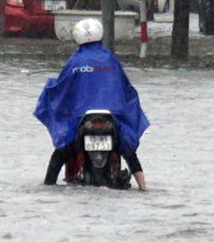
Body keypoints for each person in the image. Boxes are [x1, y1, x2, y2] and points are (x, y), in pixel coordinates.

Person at [34, 18, 150, 190]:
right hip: (112, 119)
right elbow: (125, 88)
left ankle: (47, 186)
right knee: (129, 152)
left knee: (59, 156)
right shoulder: (110, 59)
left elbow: (62, 87)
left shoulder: (75, 61)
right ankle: (143, 186)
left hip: (81, 121)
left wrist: (50, 86)